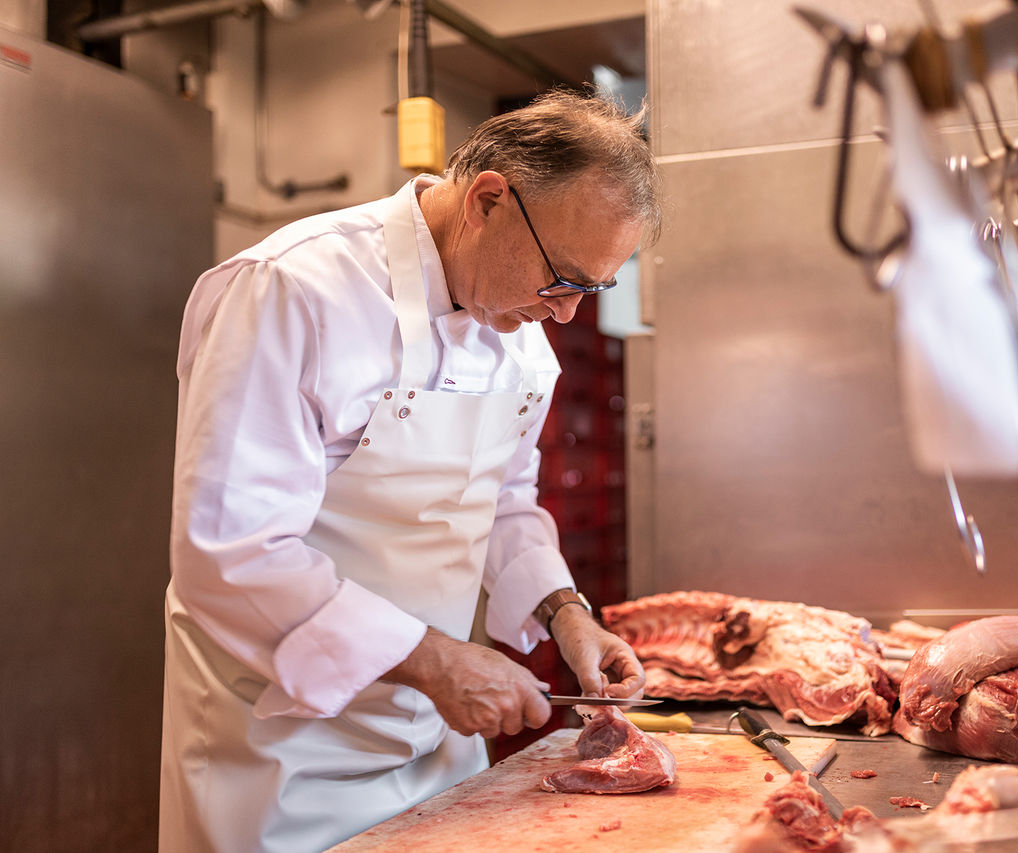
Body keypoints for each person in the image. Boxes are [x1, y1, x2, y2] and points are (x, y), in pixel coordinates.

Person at [158, 89, 660, 852]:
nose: (567, 315)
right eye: (563, 278)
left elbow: (502, 501)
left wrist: (568, 614)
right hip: (281, 749)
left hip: (438, 736)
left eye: (592, 289)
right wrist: (433, 660)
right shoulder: (291, 289)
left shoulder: (519, 329)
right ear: (489, 199)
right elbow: (231, 549)